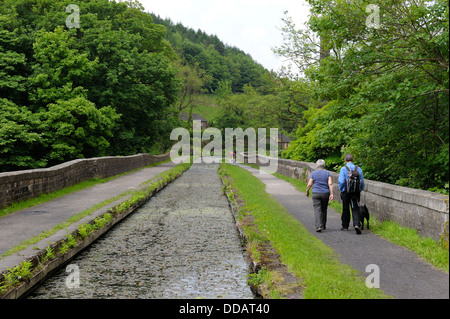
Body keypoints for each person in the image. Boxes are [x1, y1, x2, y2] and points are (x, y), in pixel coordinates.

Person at [338, 154, 365, 234]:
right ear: (353, 159)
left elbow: (342, 181)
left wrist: (342, 190)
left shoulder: (343, 169)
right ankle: (357, 224)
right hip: (355, 192)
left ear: (345, 160)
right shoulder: (358, 169)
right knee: (355, 208)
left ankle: (345, 226)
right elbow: (362, 182)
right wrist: (359, 190)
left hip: (346, 192)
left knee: (345, 208)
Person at [306, 159, 334, 232]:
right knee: (324, 209)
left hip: (316, 193)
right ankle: (323, 225)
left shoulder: (314, 173)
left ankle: (318, 226)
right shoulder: (328, 173)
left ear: (317, 165)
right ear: (324, 165)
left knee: (317, 209)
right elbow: (330, 184)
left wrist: (307, 191)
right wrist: (331, 194)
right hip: (325, 193)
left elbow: (309, 184)